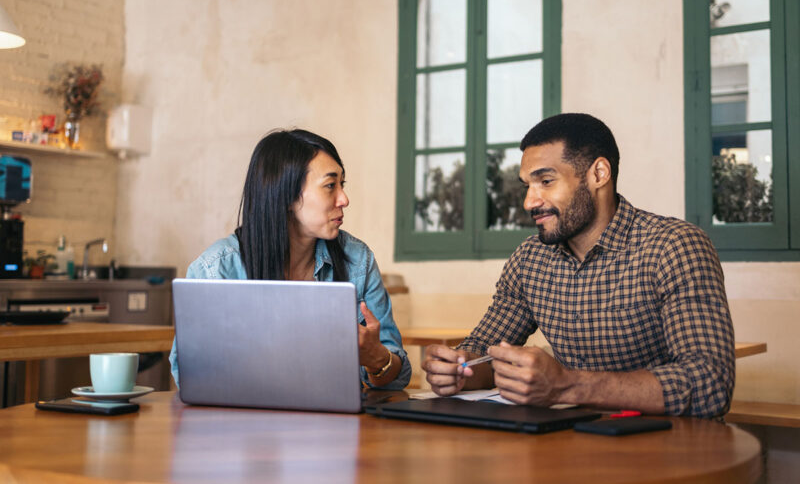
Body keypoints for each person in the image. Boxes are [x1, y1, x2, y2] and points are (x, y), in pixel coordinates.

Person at [422, 113, 735, 418]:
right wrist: (459, 369)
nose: (529, 202)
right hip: (570, 445)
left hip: (669, 449)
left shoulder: (674, 246)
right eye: (527, 186)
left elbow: (710, 384)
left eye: (546, 181)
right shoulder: (530, 259)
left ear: (598, 174)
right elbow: (484, 355)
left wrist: (566, 386)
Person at [170, 129, 411, 390]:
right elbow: (187, 373)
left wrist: (377, 359)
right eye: (330, 186)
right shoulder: (216, 269)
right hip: (241, 425)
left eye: (343, 185)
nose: (344, 199)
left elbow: (397, 377)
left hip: (333, 426)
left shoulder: (357, 260)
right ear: (286, 196)